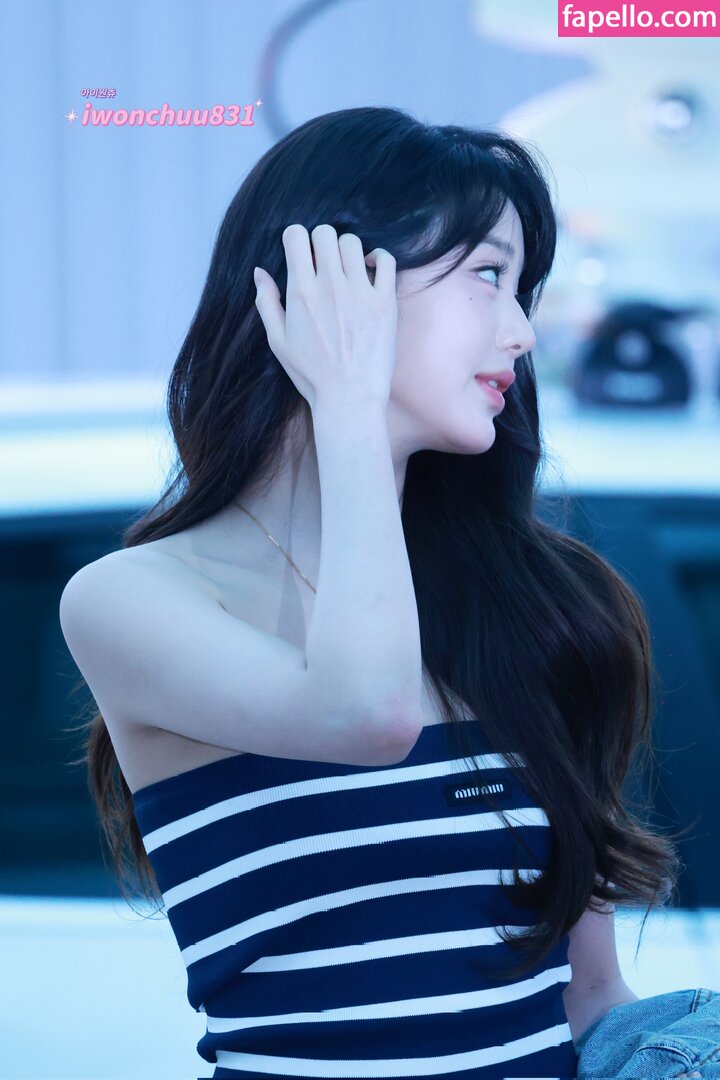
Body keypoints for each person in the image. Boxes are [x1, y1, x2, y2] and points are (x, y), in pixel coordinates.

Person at [59, 106, 685, 1079]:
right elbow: (368, 714)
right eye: (489, 276)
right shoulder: (133, 599)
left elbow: (590, 998)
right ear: (335, 288)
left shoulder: (543, 604)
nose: (522, 332)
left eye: (523, 289)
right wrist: (345, 403)